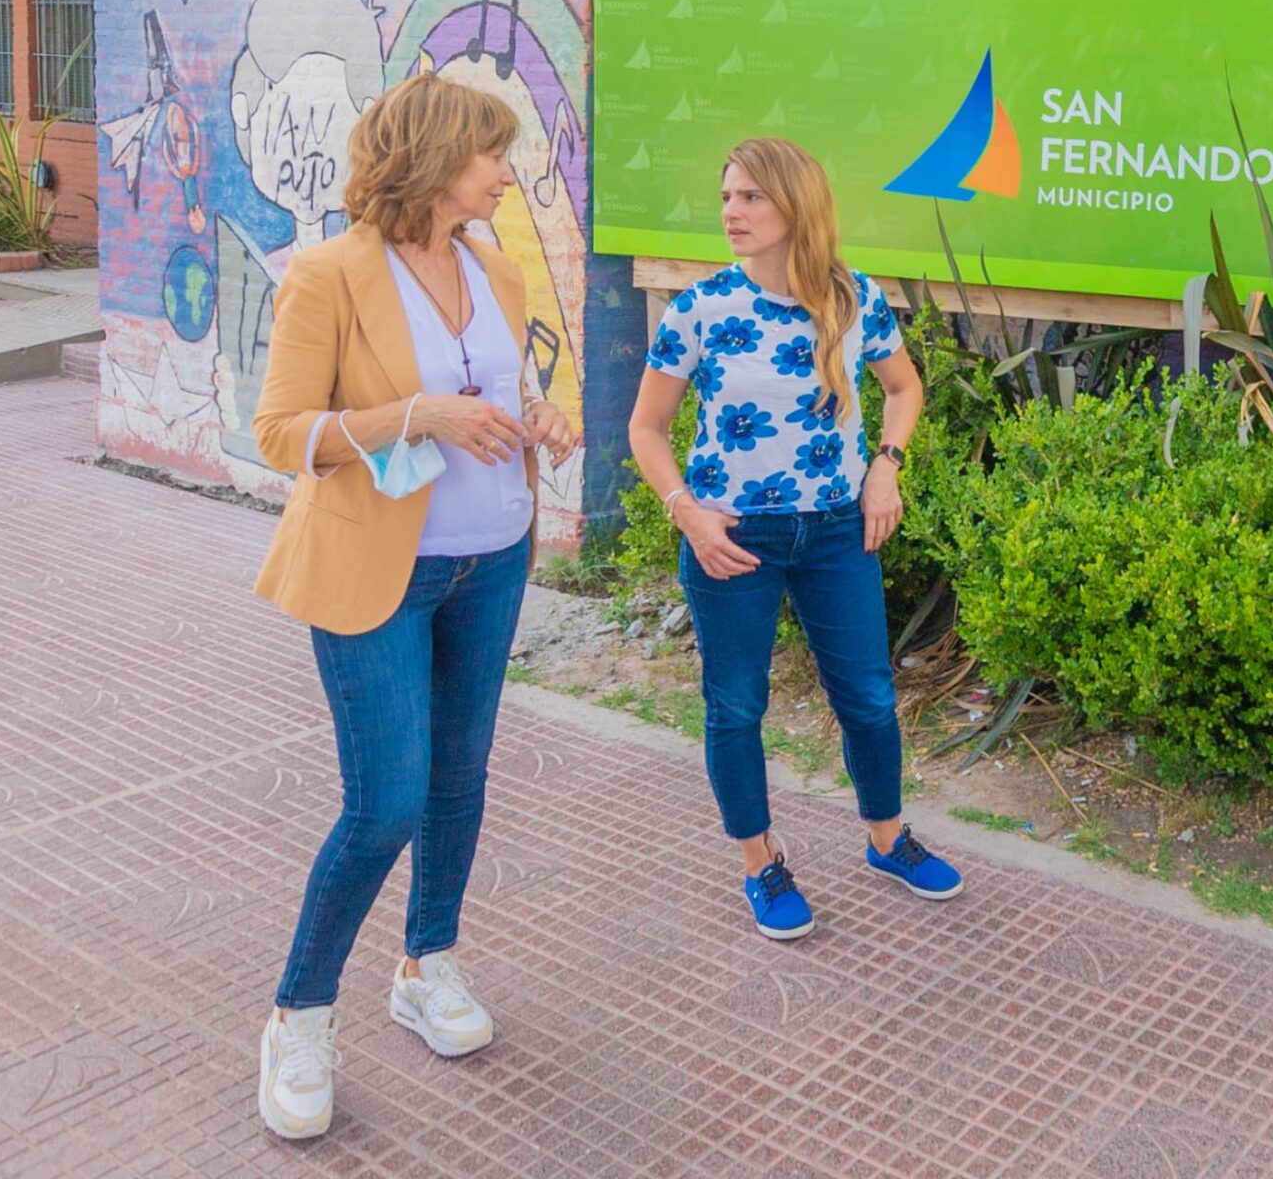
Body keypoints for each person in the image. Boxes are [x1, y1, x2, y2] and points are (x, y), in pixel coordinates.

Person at [246, 72, 578, 1140]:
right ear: (437, 162)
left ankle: (426, 962)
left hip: (493, 558)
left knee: (459, 781)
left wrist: (537, 420)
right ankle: (300, 1014)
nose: (503, 173)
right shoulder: (330, 274)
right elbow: (281, 433)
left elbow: (497, 395)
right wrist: (415, 416)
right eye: (490, 155)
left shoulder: (495, 267)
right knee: (385, 800)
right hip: (376, 572)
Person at [627, 136, 962, 942]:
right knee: (736, 705)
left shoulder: (854, 300)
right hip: (731, 536)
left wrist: (887, 467)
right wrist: (687, 512)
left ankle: (887, 839)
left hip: (837, 530)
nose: (731, 213)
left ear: (795, 206)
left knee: (871, 700)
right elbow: (646, 427)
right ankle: (760, 862)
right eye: (727, 197)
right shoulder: (701, 309)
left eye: (750, 198)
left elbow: (904, 387)